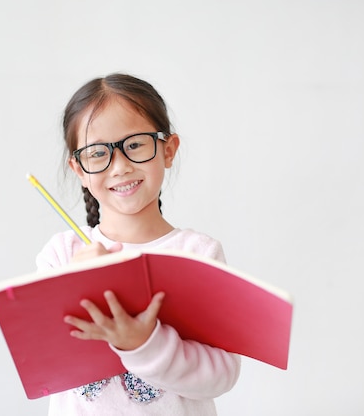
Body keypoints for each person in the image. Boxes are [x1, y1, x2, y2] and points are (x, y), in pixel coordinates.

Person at [35, 73, 241, 416]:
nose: (119, 166)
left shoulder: (198, 254)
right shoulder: (61, 256)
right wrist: (70, 286)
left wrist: (144, 345)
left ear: (169, 149)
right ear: (79, 169)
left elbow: (222, 374)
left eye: (135, 144)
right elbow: (41, 363)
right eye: (98, 153)